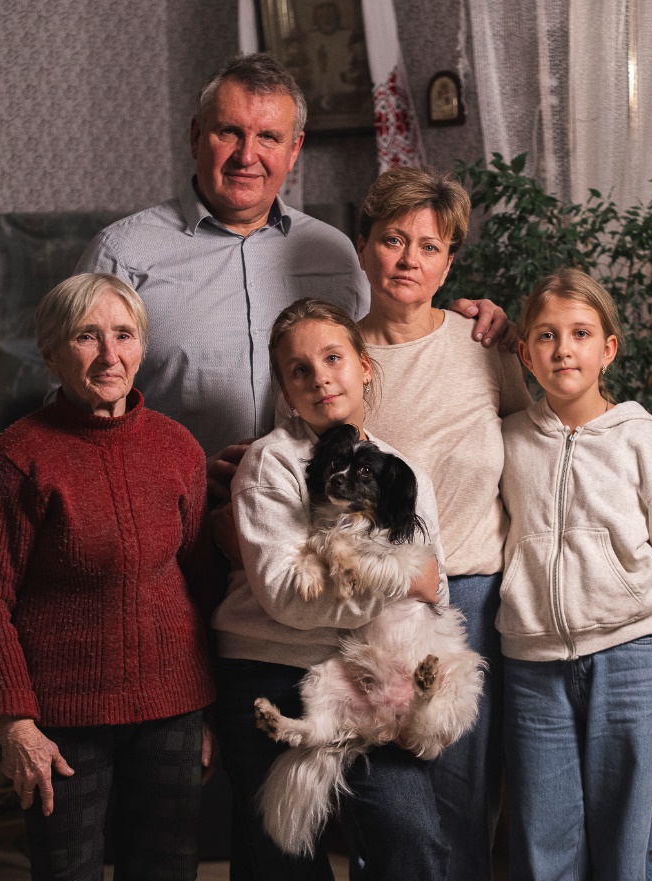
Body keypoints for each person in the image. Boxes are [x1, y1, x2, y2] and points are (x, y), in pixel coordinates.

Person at [73, 52, 509, 496]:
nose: (247, 155)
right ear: (196, 135)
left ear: (294, 149)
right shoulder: (123, 255)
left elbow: (383, 342)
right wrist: (179, 474)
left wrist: (471, 318)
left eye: (268, 137)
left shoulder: (333, 253)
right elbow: (73, 411)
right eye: (229, 132)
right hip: (177, 513)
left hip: (318, 518)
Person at [0, 273, 217, 881]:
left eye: (124, 335)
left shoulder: (179, 449)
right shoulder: (20, 455)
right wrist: (15, 723)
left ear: (142, 347)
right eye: (86, 336)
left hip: (173, 710)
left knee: (168, 871)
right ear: (51, 354)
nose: (109, 355)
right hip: (61, 721)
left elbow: (206, 587)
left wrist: (211, 711)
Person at [212, 297, 451, 880]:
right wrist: (405, 578)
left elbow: (436, 591)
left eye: (332, 358)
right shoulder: (270, 463)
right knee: (285, 861)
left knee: (412, 837)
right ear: (286, 390)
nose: (319, 378)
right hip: (269, 666)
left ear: (364, 366)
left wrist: (417, 583)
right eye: (300, 370)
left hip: (370, 672)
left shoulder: (402, 471)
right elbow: (288, 598)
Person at [499, 268, 652, 881]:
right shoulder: (508, 441)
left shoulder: (647, 444)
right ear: (525, 353)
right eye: (545, 335)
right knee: (542, 852)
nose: (563, 349)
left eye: (580, 333)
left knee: (626, 852)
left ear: (608, 349)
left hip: (630, 663)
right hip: (533, 670)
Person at [355, 166, 532, 881]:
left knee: (463, 809)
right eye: (392, 239)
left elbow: (541, 447)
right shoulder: (335, 358)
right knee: (392, 816)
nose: (409, 259)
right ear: (363, 245)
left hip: (475, 601)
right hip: (378, 606)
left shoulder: (483, 344)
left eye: (429, 246)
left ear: (449, 262)